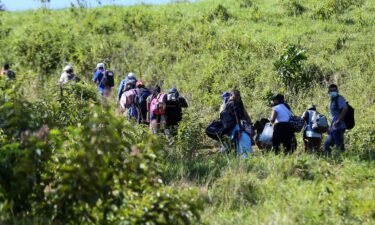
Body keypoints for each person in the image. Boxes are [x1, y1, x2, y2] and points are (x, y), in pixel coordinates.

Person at [220, 90, 252, 157]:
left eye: (239, 95)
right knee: (235, 141)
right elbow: (241, 116)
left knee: (235, 141)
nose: (238, 96)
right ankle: (229, 154)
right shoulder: (232, 104)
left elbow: (243, 115)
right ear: (231, 96)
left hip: (231, 127)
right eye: (236, 95)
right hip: (233, 127)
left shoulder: (235, 104)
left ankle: (230, 154)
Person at [323, 84, 348, 155]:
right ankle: (335, 162)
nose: (332, 91)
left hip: (339, 128)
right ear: (328, 92)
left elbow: (345, 108)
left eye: (334, 90)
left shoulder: (339, 98)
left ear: (337, 91)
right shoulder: (332, 101)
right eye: (331, 90)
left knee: (337, 147)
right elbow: (333, 117)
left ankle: (342, 162)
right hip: (334, 129)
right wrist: (330, 128)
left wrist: (338, 120)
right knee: (328, 146)